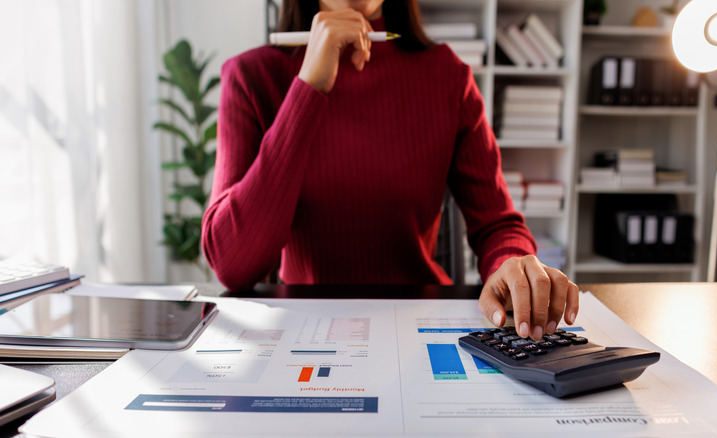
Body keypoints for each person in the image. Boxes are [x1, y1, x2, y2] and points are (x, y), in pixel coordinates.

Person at [202, 0, 579, 341]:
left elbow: (498, 225)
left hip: (420, 327)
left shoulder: (447, 75)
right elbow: (233, 264)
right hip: (304, 332)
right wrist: (308, 88)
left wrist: (510, 265)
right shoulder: (250, 76)